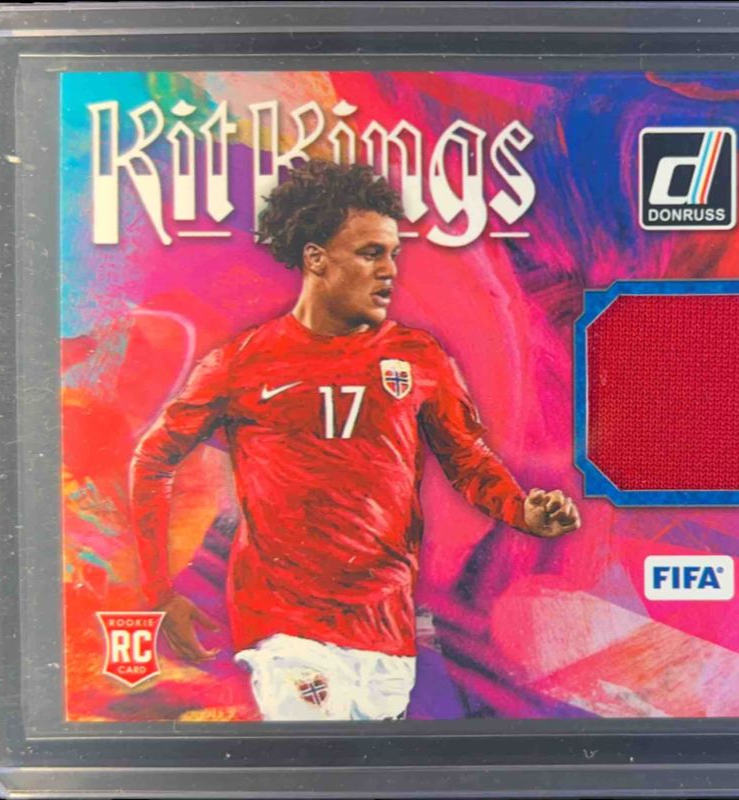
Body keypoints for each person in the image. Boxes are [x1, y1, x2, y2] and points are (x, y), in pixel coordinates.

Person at [130, 159, 581, 721]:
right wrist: (159, 591)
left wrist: (521, 510)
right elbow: (153, 459)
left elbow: (467, 461)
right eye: (370, 253)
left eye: (392, 253)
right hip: (286, 626)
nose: (389, 270)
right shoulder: (242, 363)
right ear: (316, 258)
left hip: (385, 631)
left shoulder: (419, 359)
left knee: (369, 759)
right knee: (314, 751)